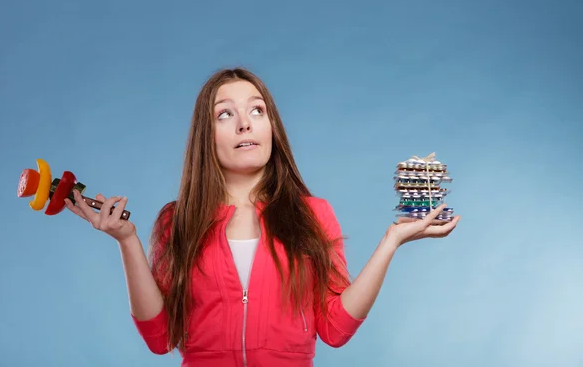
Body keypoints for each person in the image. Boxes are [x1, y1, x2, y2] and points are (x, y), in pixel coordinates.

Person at [64, 67, 460, 367]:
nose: (244, 123)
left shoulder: (312, 215)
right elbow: (160, 338)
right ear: (208, 135)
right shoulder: (176, 221)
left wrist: (391, 241)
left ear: (271, 127)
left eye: (257, 110)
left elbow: (335, 329)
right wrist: (127, 241)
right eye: (225, 114)